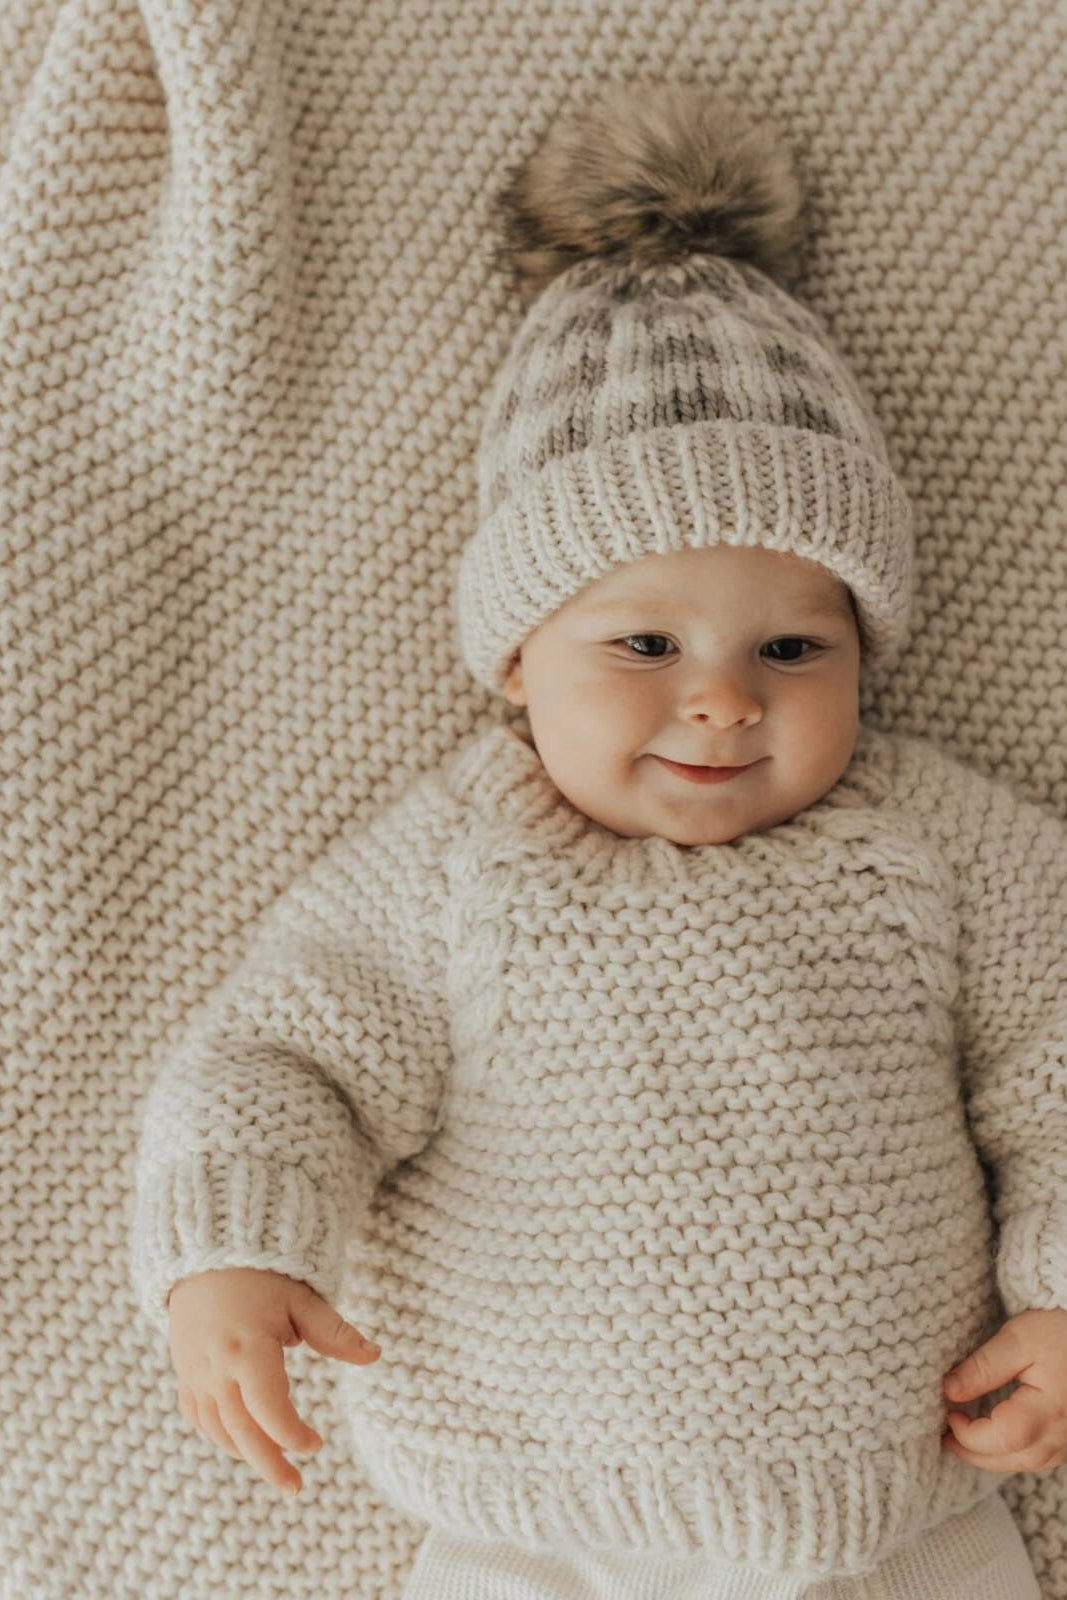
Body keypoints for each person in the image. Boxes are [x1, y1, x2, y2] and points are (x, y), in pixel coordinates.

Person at [131, 82, 1067, 1599]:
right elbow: (284, 1061)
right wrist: (235, 1250)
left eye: (790, 652)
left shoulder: (939, 844)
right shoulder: (450, 862)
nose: (717, 703)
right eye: (642, 644)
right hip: (526, 1519)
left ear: (867, 656)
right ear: (515, 659)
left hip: (908, 1513)